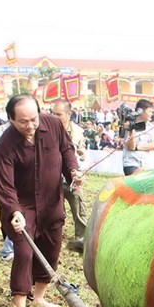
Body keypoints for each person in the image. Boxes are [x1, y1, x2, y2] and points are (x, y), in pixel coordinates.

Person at [0, 95, 81, 307]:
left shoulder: (52, 124)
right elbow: (4, 185)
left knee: (51, 250)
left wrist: (73, 172)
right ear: (11, 119)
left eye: (33, 119)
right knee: (23, 253)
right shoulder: (6, 145)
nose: (30, 125)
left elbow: (67, 150)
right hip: (23, 207)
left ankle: (40, 296)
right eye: (23, 122)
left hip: (52, 202)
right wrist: (13, 211)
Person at [50, 100, 88, 252]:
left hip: (72, 176)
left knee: (78, 204)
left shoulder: (77, 131)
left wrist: (82, 152)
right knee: (55, 209)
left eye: (58, 114)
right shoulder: (47, 129)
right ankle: (54, 237)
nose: (55, 117)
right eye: (53, 113)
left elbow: (82, 147)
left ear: (69, 114)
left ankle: (82, 237)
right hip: (52, 176)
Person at [121, 99, 154, 176]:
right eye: (149, 112)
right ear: (141, 112)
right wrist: (131, 130)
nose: (151, 114)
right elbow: (131, 146)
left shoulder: (151, 127)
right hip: (131, 164)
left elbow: (153, 145)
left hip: (145, 164)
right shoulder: (129, 124)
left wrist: (137, 147)